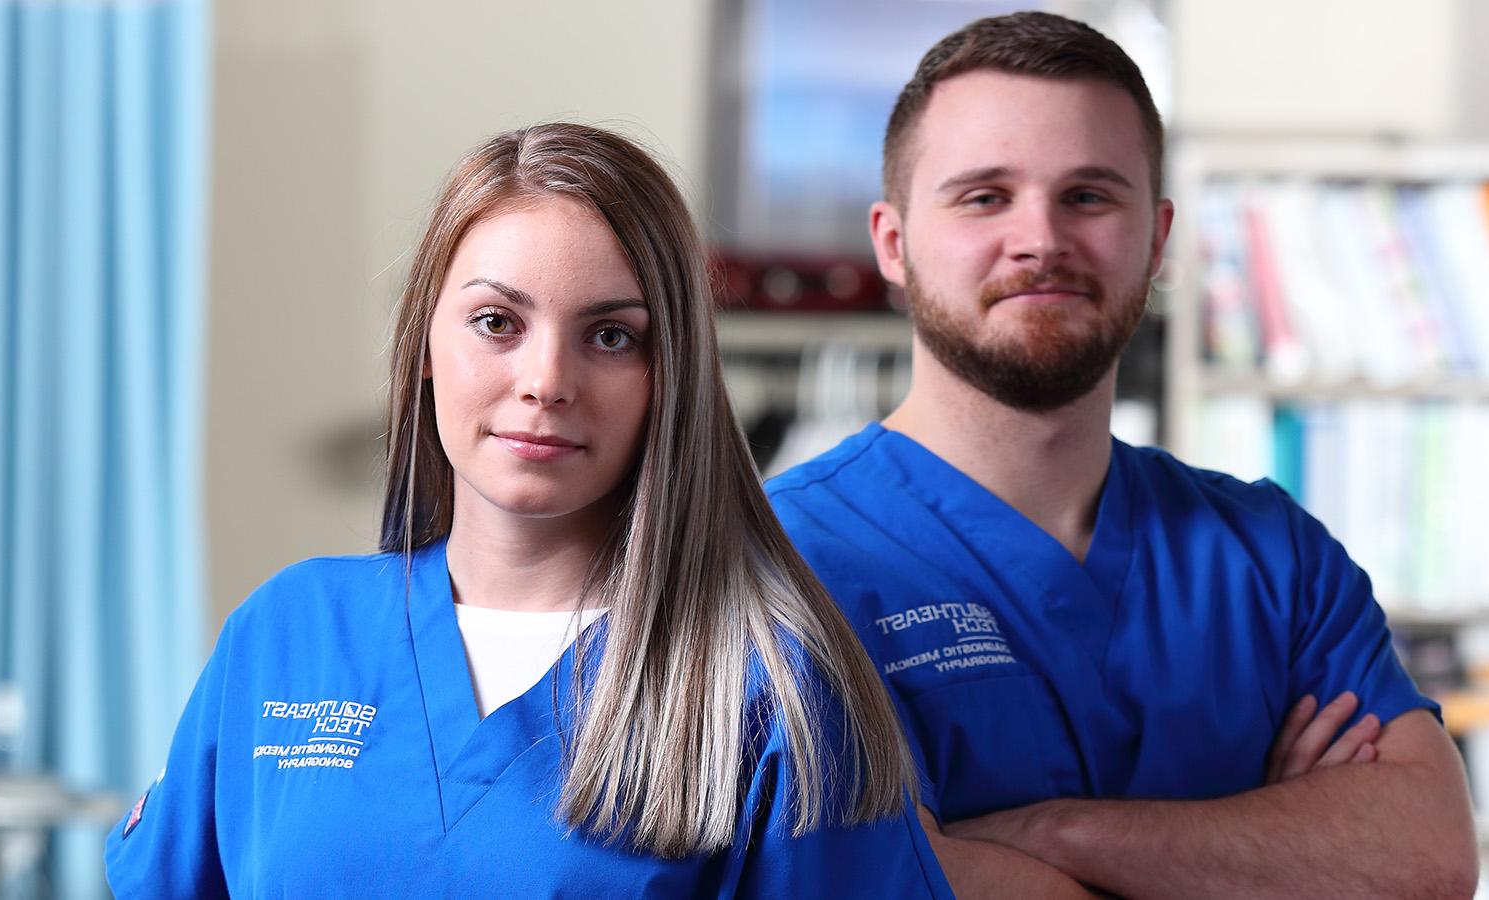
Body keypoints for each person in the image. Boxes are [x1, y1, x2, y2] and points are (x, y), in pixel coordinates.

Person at [105, 123, 952, 898]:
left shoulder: (773, 693)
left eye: (611, 336)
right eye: (496, 321)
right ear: (427, 345)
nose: (546, 381)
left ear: (672, 376)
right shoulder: (290, 632)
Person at [766, 12, 1479, 899]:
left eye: (1090, 196)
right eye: (985, 196)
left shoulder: (1272, 556)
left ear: (1158, 236)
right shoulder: (781, 567)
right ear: (893, 242)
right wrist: (1268, 844)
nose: (1041, 241)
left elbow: (1426, 857)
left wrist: (1040, 834)